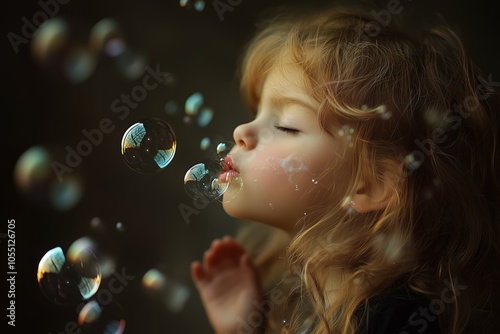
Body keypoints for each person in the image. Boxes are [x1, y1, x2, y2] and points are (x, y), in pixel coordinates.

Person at [190, 3, 500, 333]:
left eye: (286, 125)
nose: (241, 131)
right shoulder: (309, 308)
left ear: (371, 183)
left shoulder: (398, 321)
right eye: (258, 113)